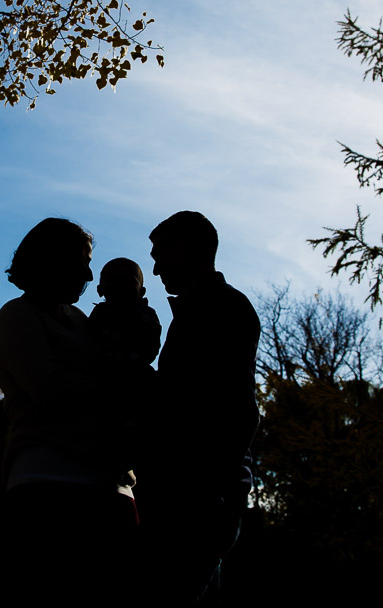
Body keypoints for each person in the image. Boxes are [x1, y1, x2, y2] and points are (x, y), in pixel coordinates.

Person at [0, 218, 139, 603]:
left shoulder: (80, 321)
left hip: (112, 484)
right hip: (49, 485)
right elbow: (51, 391)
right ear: (51, 261)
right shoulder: (17, 316)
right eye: (82, 263)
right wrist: (121, 392)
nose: (89, 275)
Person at [138, 210, 260, 604]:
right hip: (197, 494)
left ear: (186, 249)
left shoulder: (221, 308)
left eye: (160, 256)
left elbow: (235, 407)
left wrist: (216, 490)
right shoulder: (202, 309)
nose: (155, 270)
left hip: (198, 498)